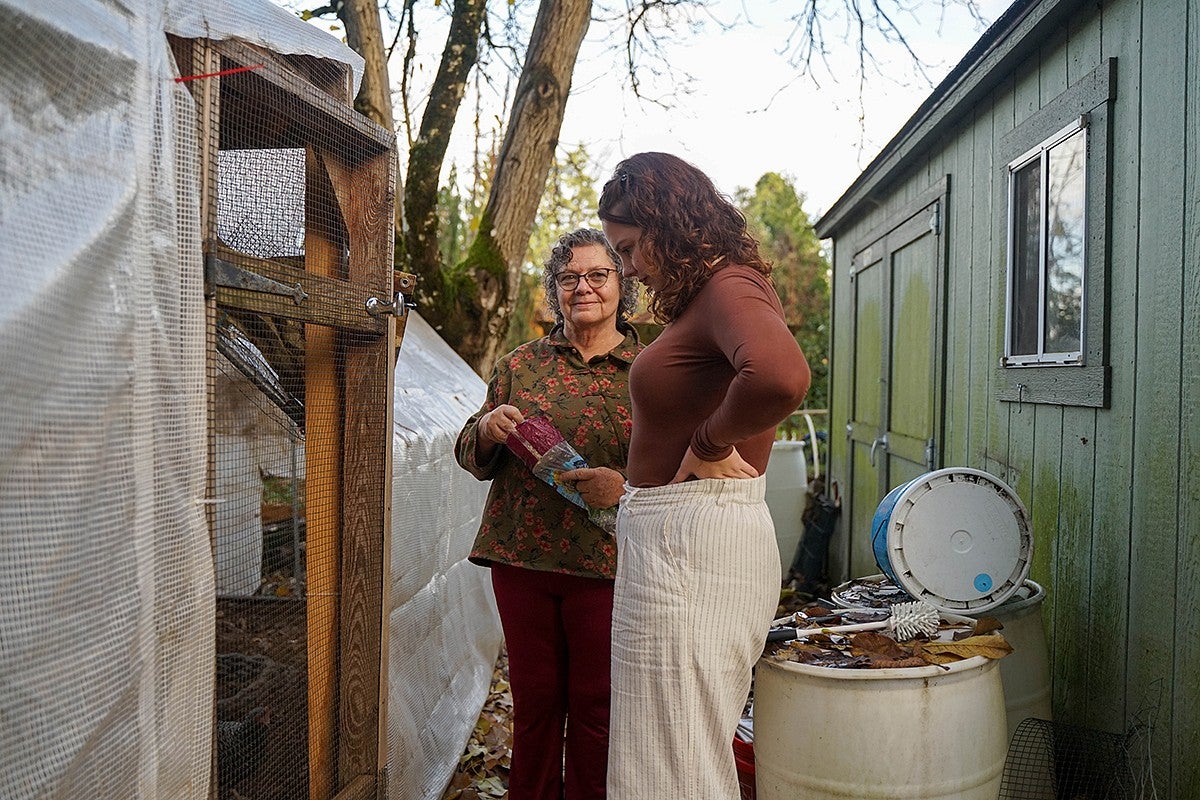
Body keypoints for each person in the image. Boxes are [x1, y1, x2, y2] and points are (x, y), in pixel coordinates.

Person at [597, 152, 811, 800]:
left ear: (669, 222)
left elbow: (781, 375)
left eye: (630, 248)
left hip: (692, 545)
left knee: (671, 770)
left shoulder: (729, 286)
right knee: (674, 758)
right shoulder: (717, 293)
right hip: (685, 538)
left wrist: (709, 439)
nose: (628, 268)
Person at [455, 228, 642, 800]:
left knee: (596, 707)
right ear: (554, 290)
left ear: (621, 283)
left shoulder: (651, 367)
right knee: (536, 705)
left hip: (609, 563)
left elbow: (684, 467)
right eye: (568, 278)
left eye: (597, 275)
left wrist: (625, 486)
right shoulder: (521, 365)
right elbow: (470, 454)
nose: (582, 287)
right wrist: (486, 430)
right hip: (524, 560)